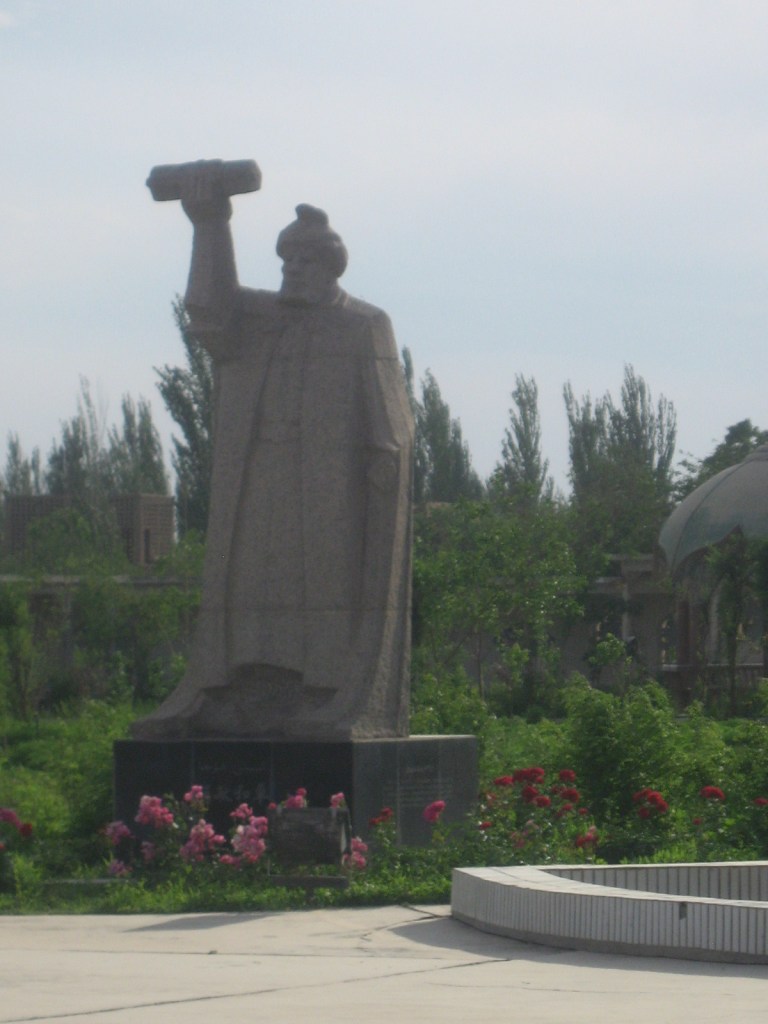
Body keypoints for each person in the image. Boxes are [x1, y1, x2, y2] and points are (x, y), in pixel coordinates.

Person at [133, 173, 414, 741]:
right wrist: (210, 224)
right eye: (287, 260)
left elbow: (394, 423)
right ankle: (238, 693)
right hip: (259, 476)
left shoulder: (363, 325)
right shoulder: (259, 319)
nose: (293, 270)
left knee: (322, 587)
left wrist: (384, 467)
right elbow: (210, 314)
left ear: (332, 267)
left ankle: (324, 692)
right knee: (249, 584)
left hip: (331, 488)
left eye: (306, 261)